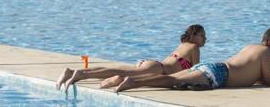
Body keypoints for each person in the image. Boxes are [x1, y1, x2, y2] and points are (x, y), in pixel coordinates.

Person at [113, 27, 270, 92]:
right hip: (218, 74)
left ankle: (124, 79)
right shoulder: (266, 52)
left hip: (214, 67)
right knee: (173, 81)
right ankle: (133, 82)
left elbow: (258, 78)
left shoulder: (251, 48)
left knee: (176, 80)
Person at [56, 24, 206, 92]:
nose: (204, 39)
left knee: (116, 71)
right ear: (193, 36)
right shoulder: (194, 48)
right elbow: (195, 72)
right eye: (202, 35)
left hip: (153, 65)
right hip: (158, 69)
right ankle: (81, 74)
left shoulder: (183, 44)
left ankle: (73, 72)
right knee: (119, 72)